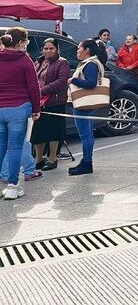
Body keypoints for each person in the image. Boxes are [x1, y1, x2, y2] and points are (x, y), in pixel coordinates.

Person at [0, 28, 41, 200]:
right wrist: (36, 109)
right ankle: (12, 187)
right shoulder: (24, 60)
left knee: (0, 148)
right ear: (21, 43)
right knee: (15, 148)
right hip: (18, 108)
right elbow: (33, 86)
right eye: (26, 42)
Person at [31, 37, 70, 171]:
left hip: (55, 101)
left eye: (51, 48)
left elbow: (61, 81)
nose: (48, 51)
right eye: (46, 48)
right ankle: (39, 159)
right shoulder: (39, 62)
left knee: (54, 132)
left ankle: (53, 159)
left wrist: (41, 91)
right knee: (38, 133)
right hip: (39, 103)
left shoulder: (62, 62)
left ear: (57, 49)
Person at [68, 39, 105, 176]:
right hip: (83, 104)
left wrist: (73, 80)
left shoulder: (90, 64)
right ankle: (85, 161)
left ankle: (87, 162)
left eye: (79, 48)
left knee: (85, 135)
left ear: (87, 50)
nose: (77, 51)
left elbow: (91, 83)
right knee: (87, 134)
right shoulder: (91, 63)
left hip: (83, 104)